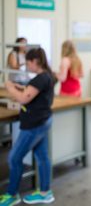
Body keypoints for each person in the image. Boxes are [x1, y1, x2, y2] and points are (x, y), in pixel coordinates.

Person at [1, 47, 55, 206]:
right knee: (42, 157)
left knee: (14, 157)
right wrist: (20, 88)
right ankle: (45, 193)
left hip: (34, 125)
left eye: (28, 63)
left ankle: (11, 194)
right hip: (42, 121)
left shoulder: (41, 78)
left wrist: (10, 88)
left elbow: (24, 99)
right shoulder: (45, 76)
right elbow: (31, 92)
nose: (26, 66)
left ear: (35, 61)